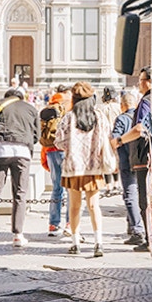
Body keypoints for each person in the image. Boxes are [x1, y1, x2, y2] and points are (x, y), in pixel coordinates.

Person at [55, 83, 118, 257]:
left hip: (73, 168)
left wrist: (72, 146)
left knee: (74, 207)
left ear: (74, 99)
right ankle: (99, 243)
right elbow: (109, 136)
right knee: (93, 206)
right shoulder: (99, 116)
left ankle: (75, 243)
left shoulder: (68, 117)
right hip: (94, 167)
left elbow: (58, 142)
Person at [0, 87, 39, 249]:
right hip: (22, 151)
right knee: (20, 193)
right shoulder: (31, 109)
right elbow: (36, 137)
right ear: (21, 98)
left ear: (6, 97)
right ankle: (18, 236)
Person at [115, 68, 152, 252]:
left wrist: (119, 140)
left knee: (144, 201)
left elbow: (140, 127)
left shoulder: (146, 101)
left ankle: (149, 240)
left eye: (141, 80)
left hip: (144, 157)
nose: (139, 83)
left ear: (149, 81)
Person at [111, 88, 146, 245]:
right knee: (142, 195)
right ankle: (136, 226)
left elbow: (114, 140)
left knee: (130, 195)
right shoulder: (141, 117)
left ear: (122, 105)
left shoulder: (121, 119)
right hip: (142, 161)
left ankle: (137, 229)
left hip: (126, 162)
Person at [42, 86, 72, 237]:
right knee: (70, 188)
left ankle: (53, 224)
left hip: (51, 151)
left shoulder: (50, 106)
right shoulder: (69, 104)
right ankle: (70, 223)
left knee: (56, 188)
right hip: (66, 150)